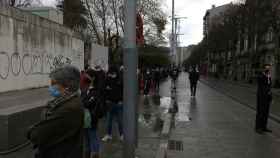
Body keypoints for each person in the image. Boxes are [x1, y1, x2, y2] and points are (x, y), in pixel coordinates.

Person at [27, 65, 84, 158]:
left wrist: (30, 131)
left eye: (53, 83)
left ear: (67, 86)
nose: (50, 87)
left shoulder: (69, 108)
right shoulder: (63, 102)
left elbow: (38, 135)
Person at [81, 74, 101, 158]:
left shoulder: (94, 92)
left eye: (82, 84)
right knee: (86, 140)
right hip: (84, 121)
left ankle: (95, 154)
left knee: (93, 138)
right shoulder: (84, 92)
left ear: (86, 84)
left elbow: (87, 103)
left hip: (92, 120)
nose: (81, 86)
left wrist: (84, 103)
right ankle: (87, 154)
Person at [102, 66, 124, 141]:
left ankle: (122, 135)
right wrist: (106, 99)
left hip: (119, 103)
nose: (111, 75)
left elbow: (124, 91)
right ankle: (108, 134)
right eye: (110, 73)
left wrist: (122, 100)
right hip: (110, 103)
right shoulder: (107, 79)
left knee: (120, 120)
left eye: (112, 73)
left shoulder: (120, 79)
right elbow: (103, 90)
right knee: (109, 121)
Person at [255, 64, 273, 134]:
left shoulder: (268, 76)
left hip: (267, 97)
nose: (268, 70)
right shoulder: (261, 76)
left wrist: (270, 95)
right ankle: (258, 128)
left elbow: (269, 86)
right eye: (266, 69)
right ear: (264, 69)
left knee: (266, 112)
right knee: (260, 112)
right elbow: (261, 83)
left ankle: (264, 127)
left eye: (269, 69)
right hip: (261, 97)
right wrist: (264, 75)